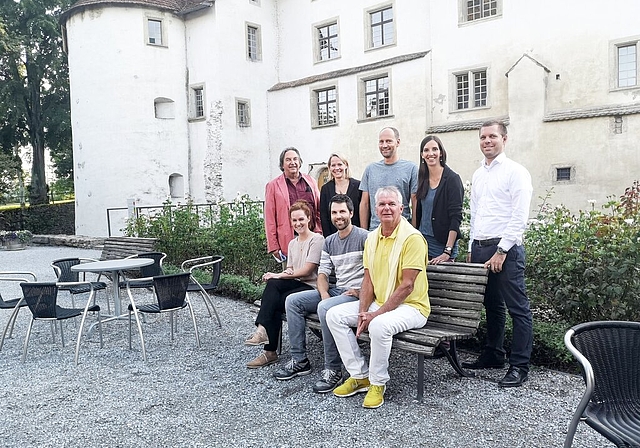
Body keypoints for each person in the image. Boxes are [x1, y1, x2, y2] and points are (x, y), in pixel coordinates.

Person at [326, 186, 430, 409]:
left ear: (402, 208)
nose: (387, 208)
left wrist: (374, 315)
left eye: (392, 204)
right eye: (382, 204)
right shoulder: (372, 238)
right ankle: (360, 375)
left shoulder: (412, 238)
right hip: (380, 303)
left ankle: (378, 383)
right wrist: (364, 311)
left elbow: (407, 286)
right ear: (375, 209)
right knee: (334, 315)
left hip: (412, 307)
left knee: (379, 326)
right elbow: (368, 280)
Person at [461, 120, 534, 388]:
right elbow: (476, 213)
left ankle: (519, 366)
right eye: (483, 137)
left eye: (492, 136)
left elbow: (519, 216)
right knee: (491, 306)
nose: (487, 141)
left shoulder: (516, 172)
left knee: (518, 309)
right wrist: (472, 247)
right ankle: (493, 354)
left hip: (506, 249)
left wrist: (502, 251)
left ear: (504, 139)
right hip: (481, 248)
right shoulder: (479, 174)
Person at [273, 194, 369, 393]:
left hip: (356, 294)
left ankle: (333, 369)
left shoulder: (364, 237)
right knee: (293, 301)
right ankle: (300, 360)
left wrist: (361, 291)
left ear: (351, 213)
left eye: (342, 211)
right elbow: (323, 273)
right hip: (337, 291)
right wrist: (324, 294)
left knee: (325, 308)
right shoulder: (330, 241)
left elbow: (376, 271)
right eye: (334, 212)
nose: (338, 216)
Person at [246, 201, 324, 368]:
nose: (298, 223)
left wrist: (278, 275)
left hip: (311, 289)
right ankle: (267, 345)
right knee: (274, 295)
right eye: (294, 220)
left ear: (309, 218)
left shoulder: (317, 239)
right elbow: (291, 269)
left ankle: (266, 342)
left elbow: (307, 270)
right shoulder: (292, 243)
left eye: (301, 219)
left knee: (273, 291)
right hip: (295, 286)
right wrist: (285, 272)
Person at [264, 147, 322, 263]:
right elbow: (269, 217)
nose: (292, 162)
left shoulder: (310, 181)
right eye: (288, 160)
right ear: (282, 164)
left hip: (312, 238)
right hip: (289, 240)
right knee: (291, 277)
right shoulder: (273, 186)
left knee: (314, 277)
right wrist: (274, 246)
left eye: (295, 159)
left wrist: (319, 232)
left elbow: (318, 210)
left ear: (300, 162)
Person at [413, 135, 464, 263]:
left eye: (435, 149)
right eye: (426, 150)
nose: (431, 153)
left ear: (441, 153)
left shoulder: (452, 179)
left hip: (443, 247)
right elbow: (418, 213)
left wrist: (447, 251)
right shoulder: (421, 179)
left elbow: (456, 217)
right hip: (422, 244)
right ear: (422, 155)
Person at [359, 127, 418, 230]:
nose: (384, 145)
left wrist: (413, 229)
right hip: (375, 231)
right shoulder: (370, 169)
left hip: (401, 231)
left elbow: (415, 201)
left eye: (388, 141)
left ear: (398, 142)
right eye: (381, 142)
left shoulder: (411, 168)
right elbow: (364, 203)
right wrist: (364, 232)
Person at [319, 153, 362, 236]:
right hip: (333, 236)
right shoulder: (325, 189)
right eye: (333, 165)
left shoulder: (358, 186)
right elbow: (324, 217)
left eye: (339, 164)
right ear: (329, 168)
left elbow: (362, 212)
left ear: (346, 165)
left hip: (356, 235)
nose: (336, 168)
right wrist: (328, 238)